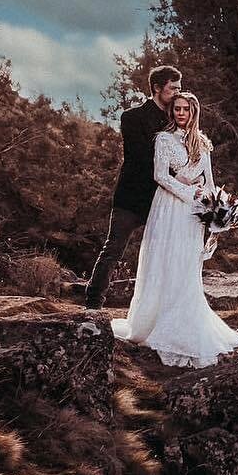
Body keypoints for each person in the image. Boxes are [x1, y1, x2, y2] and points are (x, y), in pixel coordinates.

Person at [110, 91, 238, 367]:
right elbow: (160, 176)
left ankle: (186, 318)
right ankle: (158, 321)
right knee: (166, 260)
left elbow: (209, 181)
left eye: (186, 109)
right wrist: (189, 192)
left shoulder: (203, 144)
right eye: (176, 109)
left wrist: (215, 214)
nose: (181, 113)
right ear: (171, 112)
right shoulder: (163, 139)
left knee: (187, 263)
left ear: (194, 112)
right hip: (169, 208)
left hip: (193, 213)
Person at [84, 65, 183, 309]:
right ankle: (93, 303)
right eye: (173, 88)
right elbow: (139, 156)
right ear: (157, 88)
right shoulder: (132, 117)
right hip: (131, 196)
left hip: (162, 197)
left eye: (179, 88)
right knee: (113, 249)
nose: (177, 93)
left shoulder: (177, 120)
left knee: (165, 253)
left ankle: (161, 308)